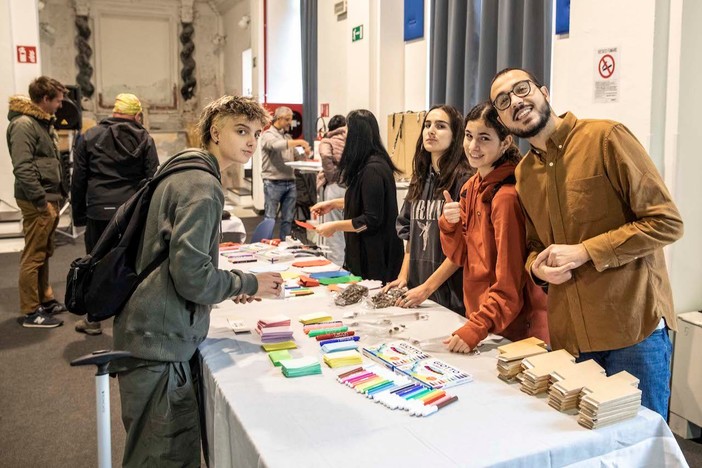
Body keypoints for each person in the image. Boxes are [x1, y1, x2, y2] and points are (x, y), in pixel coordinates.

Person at [489, 67, 683, 417]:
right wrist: (536, 268)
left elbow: (665, 222)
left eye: (522, 89)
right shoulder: (525, 175)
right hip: (573, 339)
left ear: (544, 92)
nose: (516, 101)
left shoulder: (606, 138)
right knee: (588, 449)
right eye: (504, 102)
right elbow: (535, 244)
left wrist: (585, 252)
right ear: (503, 121)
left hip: (632, 329)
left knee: (641, 447)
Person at [112, 95, 284, 467]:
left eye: (255, 133)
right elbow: (192, 277)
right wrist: (246, 283)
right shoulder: (203, 186)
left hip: (150, 330)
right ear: (214, 132)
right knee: (164, 454)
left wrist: (227, 282)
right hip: (159, 340)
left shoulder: (182, 169)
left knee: (153, 448)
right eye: (241, 131)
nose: (251, 141)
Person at [439, 102, 549, 353]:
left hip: (516, 332)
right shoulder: (471, 187)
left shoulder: (506, 198)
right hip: (486, 323)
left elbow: (510, 281)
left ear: (506, 142)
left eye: (484, 138)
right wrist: (449, 225)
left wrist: (477, 327)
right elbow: (459, 256)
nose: (472, 146)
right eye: (468, 136)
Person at [71, 93, 159, 335]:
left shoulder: (89, 136)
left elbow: (78, 179)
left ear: (114, 112)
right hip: (130, 210)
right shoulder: (144, 138)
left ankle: (93, 320)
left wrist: (78, 214)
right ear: (137, 115)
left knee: (95, 261)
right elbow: (153, 179)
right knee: (132, 261)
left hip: (98, 210)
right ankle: (131, 318)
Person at [383, 105, 471, 314]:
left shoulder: (464, 180)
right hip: (418, 290)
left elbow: (463, 247)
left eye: (440, 126)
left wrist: (428, 287)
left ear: (455, 135)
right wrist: (404, 276)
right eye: (427, 125)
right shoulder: (420, 178)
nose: (431, 131)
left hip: (450, 295)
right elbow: (411, 234)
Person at [311, 109, 403, 283]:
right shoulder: (368, 165)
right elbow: (364, 201)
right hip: (367, 254)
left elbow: (370, 220)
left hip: (375, 259)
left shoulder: (373, 169)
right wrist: (334, 204)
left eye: (347, 132)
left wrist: (335, 226)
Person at [6, 76, 68, 328]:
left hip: (47, 198)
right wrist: (41, 201)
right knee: (33, 256)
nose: (60, 106)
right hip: (37, 200)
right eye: (58, 101)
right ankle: (31, 311)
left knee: (44, 252)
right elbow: (22, 167)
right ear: (45, 99)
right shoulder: (23, 125)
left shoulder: (39, 123)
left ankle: (45, 299)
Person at [259, 106, 311, 239]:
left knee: (288, 219)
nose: (290, 122)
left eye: (290, 119)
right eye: (287, 119)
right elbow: (277, 146)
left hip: (290, 181)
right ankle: (265, 246)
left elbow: (297, 154)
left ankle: (284, 245)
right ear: (279, 118)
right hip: (273, 181)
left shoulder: (287, 136)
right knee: (270, 218)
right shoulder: (267, 135)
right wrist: (299, 142)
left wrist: (305, 153)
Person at [315, 114, 347, 265]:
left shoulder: (327, 141)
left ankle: (336, 265)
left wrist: (332, 175)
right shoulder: (351, 139)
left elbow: (326, 155)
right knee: (349, 228)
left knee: (334, 231)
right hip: (351, 188)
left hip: (335, 188)